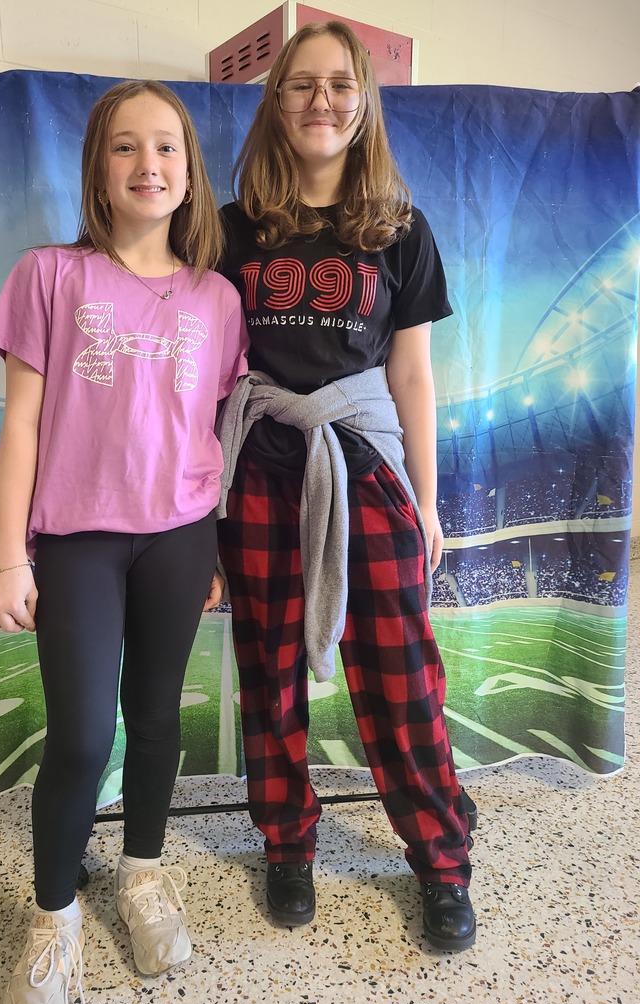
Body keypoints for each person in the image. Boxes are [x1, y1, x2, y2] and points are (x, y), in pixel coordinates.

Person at [0, 80, 248, 1004]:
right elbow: (20, 426)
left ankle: (141, 873)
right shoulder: (49, 275)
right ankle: (52, 922)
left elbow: (206, 428)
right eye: (127, 147)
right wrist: (9, 554)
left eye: (167, 148)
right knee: (86, 733)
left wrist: (209, 545)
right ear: (99, 165)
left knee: (159, 719)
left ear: (190, 170)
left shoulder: (218, 298)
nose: (149, 165)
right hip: (78, 543)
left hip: (179, 540)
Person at [215, 21, 476, 952]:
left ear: (362, 103)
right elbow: (206, 372)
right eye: (300, 86)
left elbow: (412, 375)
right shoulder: (229, 227)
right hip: (260, 470)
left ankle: (442, 860)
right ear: (275, 102)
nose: (320, 101)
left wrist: (429, 501)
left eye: (339, 85)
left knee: (401, 674)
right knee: (270, 669)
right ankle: (288, 842)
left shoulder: (400, 229)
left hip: (367, 471)